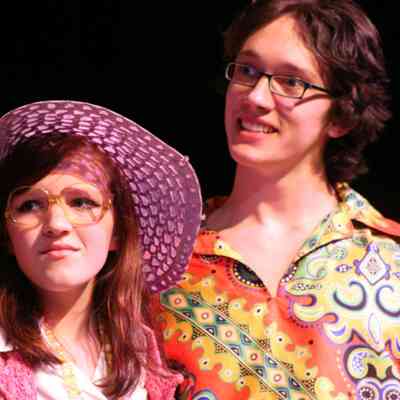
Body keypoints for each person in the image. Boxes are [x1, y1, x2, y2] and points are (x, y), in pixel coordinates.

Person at [151, 1, 400, 399]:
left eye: (291, 82)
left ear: (341, 117)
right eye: (247, 71)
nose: (256, 97)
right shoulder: (160, 261)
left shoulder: (390, 259)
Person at [0, 100, 202, 399]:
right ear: (7, 234)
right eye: (29, 205)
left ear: (117, 231)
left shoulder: (143, 350)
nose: (56, 224)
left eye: (81, 202)